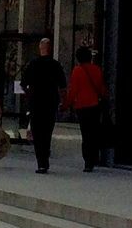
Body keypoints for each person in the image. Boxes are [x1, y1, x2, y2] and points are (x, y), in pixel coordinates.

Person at [21, 37, 67, 175]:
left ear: (40, 48)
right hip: (50, 102)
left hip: (36, 103)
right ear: (50, 48)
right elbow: (63, 86)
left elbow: (23, 84)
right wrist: (63, 101)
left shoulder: (33, 64)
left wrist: (29, 94)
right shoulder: (55, 65)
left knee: (37, 132)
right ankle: (45, 159)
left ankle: (41, 162)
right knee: (47, 132)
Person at [66, 44, 108, 172]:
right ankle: (94, 157)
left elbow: (73, 91)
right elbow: (102, 88)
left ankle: (88, 162)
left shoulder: (77, 71)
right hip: (95, 105)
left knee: (86, 133)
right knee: (94, 131)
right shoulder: (97, 70)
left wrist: (66, 105)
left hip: (82, 106)